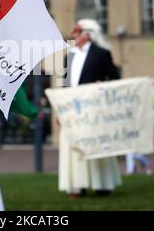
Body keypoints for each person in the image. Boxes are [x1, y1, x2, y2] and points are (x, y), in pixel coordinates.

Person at [59, 19, 122, 197]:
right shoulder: (68, 57)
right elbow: (65, 87)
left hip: (94, 110)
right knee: (74, 147)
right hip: (72, 111)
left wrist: (102, 85)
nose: (73, 35)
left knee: (97, 147)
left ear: (88, 34)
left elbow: (115, 78)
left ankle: (102, 185)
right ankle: (77, 186)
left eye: (77, 32)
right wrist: (60, 110)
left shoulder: (102, 54)